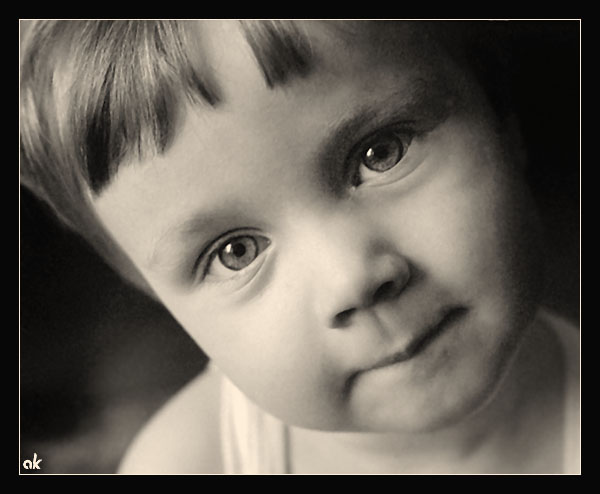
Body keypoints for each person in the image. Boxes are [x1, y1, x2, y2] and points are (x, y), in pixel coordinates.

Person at [20, 20, 580, 474]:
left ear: (498, 113)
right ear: (158, 298)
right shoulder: (188, 464)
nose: (351, 280)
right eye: (235, 251)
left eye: (380, 154)